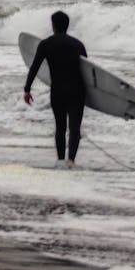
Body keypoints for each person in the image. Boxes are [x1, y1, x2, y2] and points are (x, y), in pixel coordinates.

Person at [23, 11, 87, 168]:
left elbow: (35, 67)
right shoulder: (78, 45)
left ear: (53, 25)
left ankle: (60, 160)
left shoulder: (46, 44)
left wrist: (27, 89)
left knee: (60, 127)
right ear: (67, 25)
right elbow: (88, 72)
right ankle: (71, 161)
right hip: (77, 92)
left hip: (58, 91)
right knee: (75, 128)